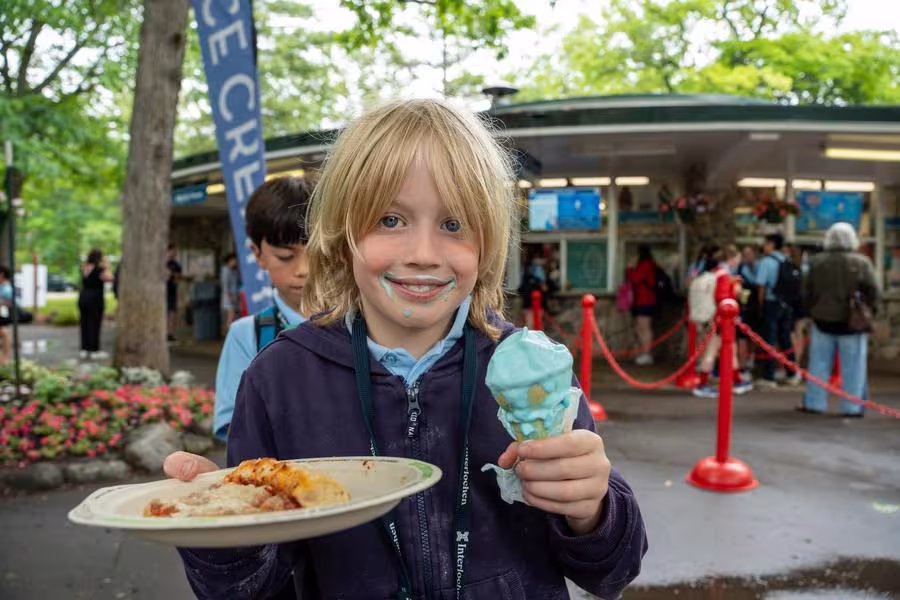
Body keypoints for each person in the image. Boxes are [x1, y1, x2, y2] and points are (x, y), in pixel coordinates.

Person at [166, 98, 646, 599]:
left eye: (454, 224)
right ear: (342, 233)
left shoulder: (531, 370)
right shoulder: (279, 377)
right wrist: (220, 532)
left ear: (489, 244)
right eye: (390, 221)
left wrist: (591, 511)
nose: (422, 255)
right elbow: (249, 589)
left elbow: (611, 572)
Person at [213, 176, 313, 441]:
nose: (303, 270)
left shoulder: (364, 324)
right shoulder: (248, 336)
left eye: (317, 252)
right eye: (285, 257)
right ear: (257, 254)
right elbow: (232, 427)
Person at [800, 223, 879, 416]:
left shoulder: (817, 262)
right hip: (852, 321)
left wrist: (811, 310)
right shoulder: (862, 262)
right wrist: (869, 310)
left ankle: (814, 403)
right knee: (853, 367)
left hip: (821, 319)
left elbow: (806, 291)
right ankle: (852, 407)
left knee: (818, 364)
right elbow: (874, 290)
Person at [692, 246, 753, 398]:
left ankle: (737, 381)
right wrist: (734, 297)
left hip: (716, 318)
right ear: (732, 259)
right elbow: (722, 298)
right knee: (711, 353)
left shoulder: (715, 272)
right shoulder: (724, 275)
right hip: (721, 320)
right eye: (738, 258)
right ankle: (702, 384)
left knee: (729, 351)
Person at [754, 233, 798, 388]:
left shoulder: (766, 262)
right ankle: (792, 372)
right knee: (785, 337)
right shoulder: (786, 260)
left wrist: (760, 305)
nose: (763, 246)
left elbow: (761, 285)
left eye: (765, 243)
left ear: (771, 244)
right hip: (786, 303)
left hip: (771, 302)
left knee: (769, 339)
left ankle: (769, 376)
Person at [78, 249, 114, 360]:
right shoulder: (100, 270)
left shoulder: (84, 267)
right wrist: (107, 265)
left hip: (83, 297)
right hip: (95, 299)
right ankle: (94, 350)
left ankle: (85, 349)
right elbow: (110, 278)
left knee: (84, 323)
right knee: (95, 323)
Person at [626, 244, 657, 365]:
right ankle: (644, 352)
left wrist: (630, 268)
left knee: (644, 327)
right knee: (640, 327)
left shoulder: (646, 265)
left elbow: (635, 279)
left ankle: (647, 353)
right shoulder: (646, 265)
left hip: (646, 301)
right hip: (640, 300)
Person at [736, 245, 760, 377]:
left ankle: (750, 360)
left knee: (753, 336)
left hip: (754, 306)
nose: (747, 257)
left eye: (749, 254)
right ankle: (742, 365)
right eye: (745, 254)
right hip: (743, 307)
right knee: (742, 337)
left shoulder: (759, 267)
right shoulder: (739, 269)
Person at [219, 252, 240, 333]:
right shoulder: (226, 270)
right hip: (229, 297)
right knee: (231, 316)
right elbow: (225, 285)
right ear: (230, 260)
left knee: (234, 316)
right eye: (234, 260)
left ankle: (231, 332)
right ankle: (229, 333)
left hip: (235, 296)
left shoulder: (235, 271)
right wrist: (229, 297)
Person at [166, 243, 183, 342]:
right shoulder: (161, 262)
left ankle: (170, 333)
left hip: (172, 291)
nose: (174, 253)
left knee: (172, 313)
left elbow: (179, 276)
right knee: (164, 313)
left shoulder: (176, 264)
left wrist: (173, 274)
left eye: (175, 251)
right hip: (162, 293)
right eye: (172, 251)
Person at [0, 266, 13, 363]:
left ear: (2, 275)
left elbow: (9, 303)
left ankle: (5, 358)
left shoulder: (7, 288)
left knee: (4, 332)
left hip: (3, 315)